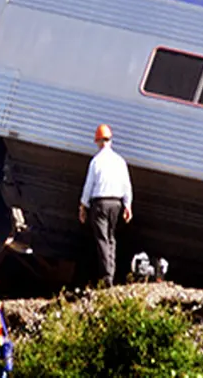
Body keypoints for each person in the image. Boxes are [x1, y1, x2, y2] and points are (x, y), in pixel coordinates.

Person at [78, 123, 133, 287]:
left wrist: (83, 206)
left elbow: (89, 185)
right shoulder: (120, 161)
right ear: (110, 140)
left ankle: (106, 277)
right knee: (111, 238)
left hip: (100, 203)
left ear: (98, 141)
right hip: (116, 203)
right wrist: (127, 205)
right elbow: (126, 185)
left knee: (102, 239)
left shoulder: (96, 161)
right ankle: (111, 273)